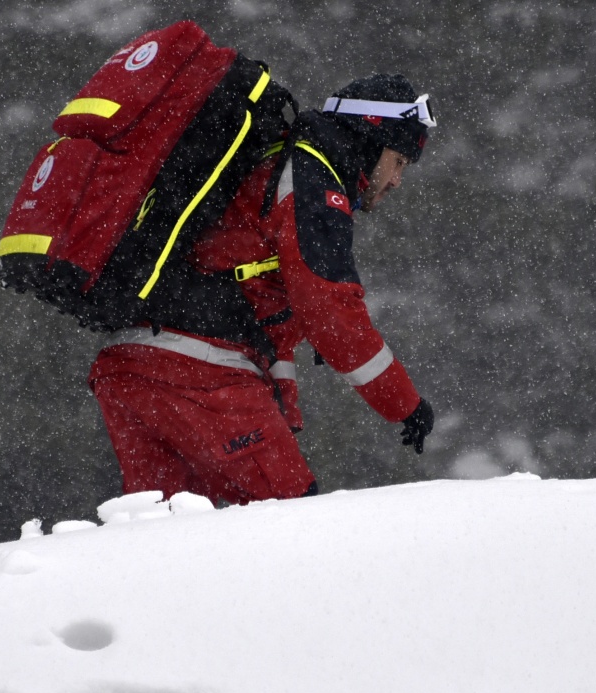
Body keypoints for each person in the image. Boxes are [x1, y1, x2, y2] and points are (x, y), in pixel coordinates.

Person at [87, 74, 436, 504]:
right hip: (201, 372)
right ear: (369, 134)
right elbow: (329, 312)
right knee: (289, 525)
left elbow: (264, 315)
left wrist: (281, 409)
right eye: (399, 160)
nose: (398, 179)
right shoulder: (313, 178)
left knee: (171, 541)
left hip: (132, 366)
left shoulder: (273, 161)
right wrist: (405, 404)